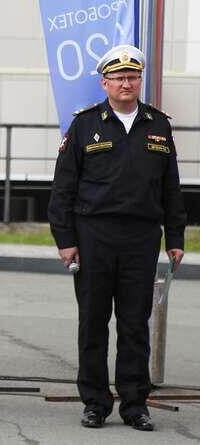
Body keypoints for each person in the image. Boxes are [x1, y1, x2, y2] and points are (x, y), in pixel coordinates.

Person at [48, 44, 185, 432]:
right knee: (93, 322)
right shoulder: (85, 125)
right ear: (104, 83)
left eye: (133, 77)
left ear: (140, 81)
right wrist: (65, 240)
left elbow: (171, 188)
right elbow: (63, 189)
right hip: (94, 236)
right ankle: (95, 402)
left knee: (135, 324)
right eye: (119, 77)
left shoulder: (158, 125)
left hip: (142, 237)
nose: (127, 83)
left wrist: (175, 237)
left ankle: (135, 404)